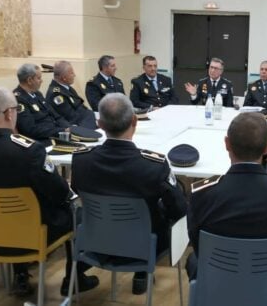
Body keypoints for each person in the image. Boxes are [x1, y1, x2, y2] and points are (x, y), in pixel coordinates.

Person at [0, 86, 98, 297]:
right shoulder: (27, 151)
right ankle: (74, 278)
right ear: (8, 113)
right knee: (78, 212)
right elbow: (59, 193)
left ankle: (21, 274)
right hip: (32, 233)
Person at [71, 93, 187, 295]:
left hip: (95, 241)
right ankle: (141, 274)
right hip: (143, 247)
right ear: (135, 121)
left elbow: (74, 190)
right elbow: (179, 209)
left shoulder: (81, 161)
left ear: (99, 124)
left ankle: (73, 275)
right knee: (163, 210)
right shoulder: (152, 165)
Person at [187, 112, 267, 287]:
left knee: (193, 260)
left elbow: (198, 248)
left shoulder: (202, 195)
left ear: (227, 144)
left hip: (220, 284)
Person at [13, 63, 71, 143]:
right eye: (39, 78)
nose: (41, 81)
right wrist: (61, 131)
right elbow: (31, 130)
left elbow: (55, 115)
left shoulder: (37, 94)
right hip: (43, 140)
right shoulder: (19, 100)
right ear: (29, 80)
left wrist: (69, 127)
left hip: (56, 133)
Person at [45, 60, 97, 129]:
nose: (74, 75)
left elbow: (81, 107)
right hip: (76, 127)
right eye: (71, 73)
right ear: (64, 77)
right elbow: (71, 117)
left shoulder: (67, 88)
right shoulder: (56, 95)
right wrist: (91, 116)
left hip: (85, 121)